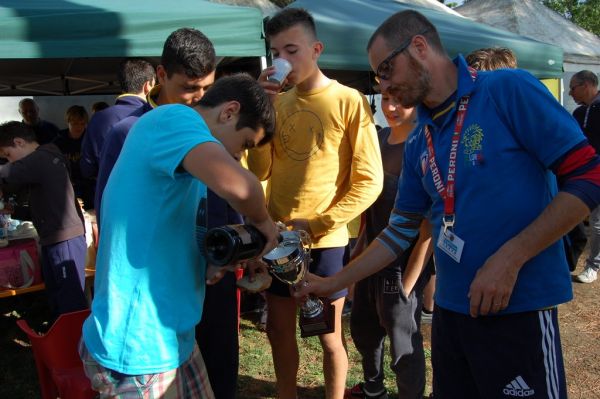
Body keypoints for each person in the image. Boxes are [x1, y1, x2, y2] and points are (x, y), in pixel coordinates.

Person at [295, 10, 600, 399]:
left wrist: (511, 258)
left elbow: (588, 175)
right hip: (451, 315)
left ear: (419, 47)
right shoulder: (420, 135)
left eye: (387, 70)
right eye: (378, 77)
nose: (384, 85)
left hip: (518, 308)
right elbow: (400, 230)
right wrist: (336, 282)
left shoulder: (508, 90)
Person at [79, 73, 280, 399]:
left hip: (172, 336)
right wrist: (265, 225)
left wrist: (216, 263)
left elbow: (162, 229)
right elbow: (243, 188)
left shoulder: (186, 154)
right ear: (228, 112)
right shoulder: (174, 118)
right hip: (139, 346)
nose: (238, 157)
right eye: (244, 145)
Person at [247, 8, 383, 399]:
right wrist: (260, 116)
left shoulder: (348, 100)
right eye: (276, 52)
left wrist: (319, 223)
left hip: (324, 242)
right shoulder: (279, 103)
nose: (283, 61)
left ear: (316, 48)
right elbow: (262, 169)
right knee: (278, 332)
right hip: (277, 240)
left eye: (292, 49)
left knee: (326, 336)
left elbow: (369, 181)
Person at [346, 94, 433, 399]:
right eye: (386, 100)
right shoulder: (379, 138)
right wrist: (357, 254)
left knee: (402, 342)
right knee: (363, 329)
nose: (391, 108)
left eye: (402, 101)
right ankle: (373, 388)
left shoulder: (424, 143)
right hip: (371, 255)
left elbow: (428, 229)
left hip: (402, 263)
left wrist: (408, 284)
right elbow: (371, 205)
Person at [0, 121, 87, 319]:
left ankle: (75, 346)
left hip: (64, 240)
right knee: (58, 300)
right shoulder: (44, 160)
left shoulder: (43, 156)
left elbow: (6, 173)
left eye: (8, 155)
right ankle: (63, 343)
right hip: (54, 239)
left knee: (70, 302)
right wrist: (13, 210)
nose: (10, 161)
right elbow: (43, 206)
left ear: (19, 142)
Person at [79, 59, 155, 187]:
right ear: (148, 86)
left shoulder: (98, 119)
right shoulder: (153, 118)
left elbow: (87, 168)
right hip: (146, 197)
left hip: (107, 198)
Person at [570, 70, 600, 284]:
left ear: (587, 84)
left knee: (597, 223)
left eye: (573, 87)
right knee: (570, 219)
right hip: (580, 176)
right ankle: (567, 261)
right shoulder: (578, 113)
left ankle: (593, 266)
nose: (570, 92)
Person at [53, 105, 94, 210]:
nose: (79, 127)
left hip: (88, 187)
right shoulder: (58, 141)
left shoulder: (90, 139)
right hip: (66, 186)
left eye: (82, 123)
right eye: (75, 123)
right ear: (68, 122)